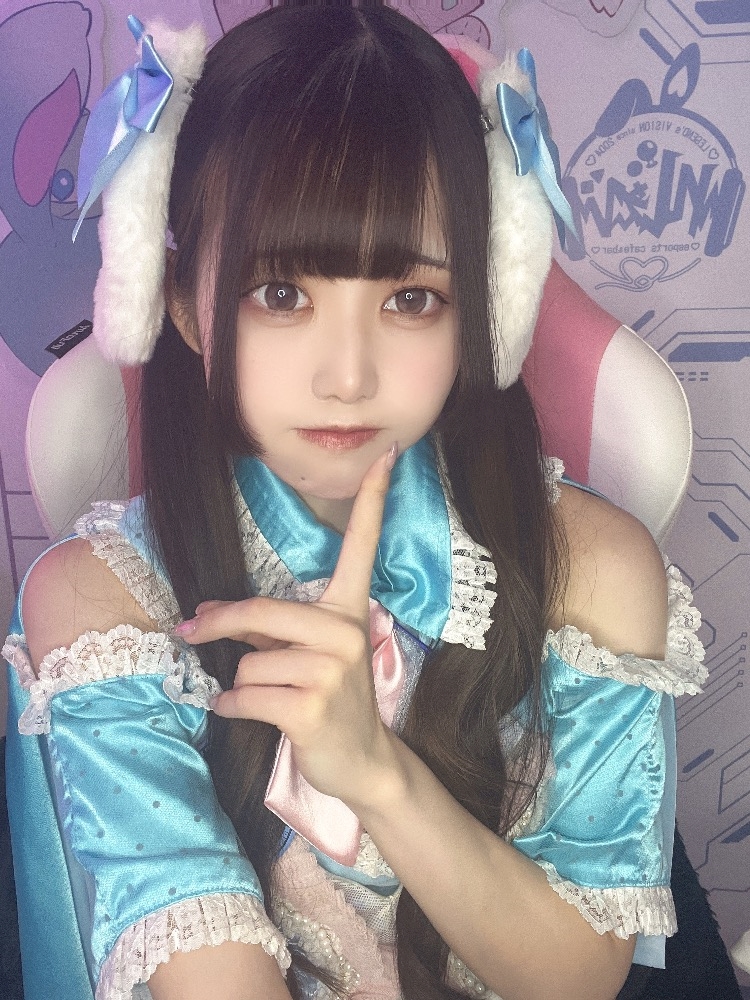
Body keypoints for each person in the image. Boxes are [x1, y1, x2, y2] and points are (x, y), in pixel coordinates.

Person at [3, 4, 708, 1000]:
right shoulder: (100, 603)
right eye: (280, 294)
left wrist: (376, 772)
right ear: (183, 304)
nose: (348, 376)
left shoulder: (591, 568)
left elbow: (579, 978)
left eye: (411, 298)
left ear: (484, 307)